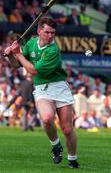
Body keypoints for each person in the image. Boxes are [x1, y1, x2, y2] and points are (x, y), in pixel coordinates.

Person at [5, 17, 80, 169]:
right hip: (42, 88)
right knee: (46, 118)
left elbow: (33, 70)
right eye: (47, 32)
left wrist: (17, 54)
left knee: (67, 129)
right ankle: (56, 145)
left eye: (53, 33)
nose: (50, 36)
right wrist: (10, 55)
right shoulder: (31, 44)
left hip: (59, 87)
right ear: (39, 31)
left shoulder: (53, 50)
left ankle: (72, 159)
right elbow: (16, 66)